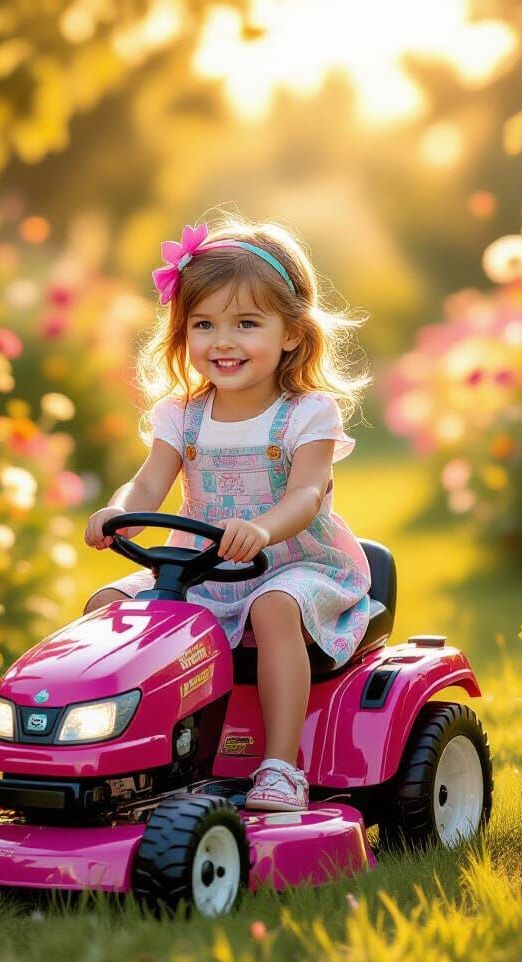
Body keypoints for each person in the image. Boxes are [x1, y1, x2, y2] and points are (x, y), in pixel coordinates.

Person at [83, 218, 371, 812]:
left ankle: (281, 765)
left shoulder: (307, 415)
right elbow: (148, 482)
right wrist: (121, 513)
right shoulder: (181, 415)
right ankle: (122, 753)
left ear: (291, 333)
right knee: (105, 606)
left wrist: (263, 528)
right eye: (204, 324)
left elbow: (307, 495)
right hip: (204, 569)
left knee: (272, 607)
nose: (223, 341)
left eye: (246, 323)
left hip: (297, 566)